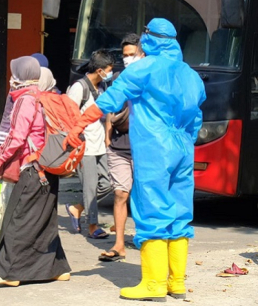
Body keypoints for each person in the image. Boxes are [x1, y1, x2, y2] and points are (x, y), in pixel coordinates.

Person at [63, 19, 206, 301]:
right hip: (182, 148)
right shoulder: (191, 74)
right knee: (179, 212)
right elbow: (197, 116)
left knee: (151, 211)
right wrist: (185, 142)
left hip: (154, 148)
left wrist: (77, 126)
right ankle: (175, 282)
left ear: (150, 39)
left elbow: (107, 101)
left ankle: (153, 285)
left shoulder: (143, 69)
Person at [0, 56, 71, 286]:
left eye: (14, 73)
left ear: (19, 76)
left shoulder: (25, 100)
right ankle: (57, 268)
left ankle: (7, 272)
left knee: (17, 219)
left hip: (32, 169)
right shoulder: (44, 96)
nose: (11, 78)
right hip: (48, 167)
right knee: (45, 221)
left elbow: (17, 137)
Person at [99, 34, 145, 262]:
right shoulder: (117, 79)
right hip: (118, 146)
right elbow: (109, 108)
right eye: (125, 55)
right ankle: (119, 244)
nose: (127, 59)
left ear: (142, 53)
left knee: (144, 195)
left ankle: (146, 239)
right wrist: (108, 136)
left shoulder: (149, 78)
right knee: (120, 193)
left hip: (144, 147)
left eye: (132, 55)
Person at [65, 50, 114, 239]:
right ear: (100, 70)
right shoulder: (79, 88)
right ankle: (92, 225)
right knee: (90, 186)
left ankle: (77, 208)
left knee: (108, 182)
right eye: (108, 70)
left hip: (100, 143)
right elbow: (68, 116)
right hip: (84, 146)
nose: (109, 74)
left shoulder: (101, 87)